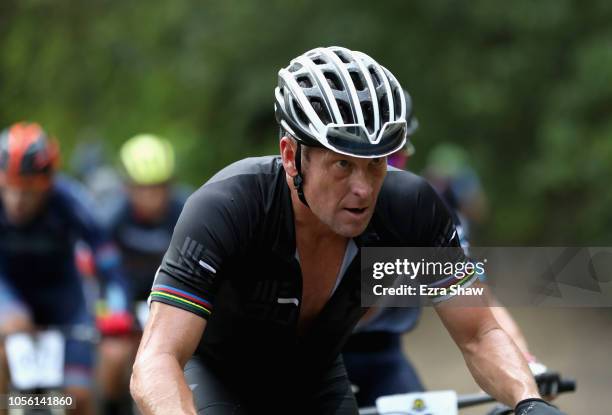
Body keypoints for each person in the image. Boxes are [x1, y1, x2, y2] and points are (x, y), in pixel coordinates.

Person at [130, 46, 564, 415]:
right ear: (290, 155)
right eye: (342, 164)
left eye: (376, 163)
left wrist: (529, 402)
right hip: (219, 375)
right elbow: (156, 359)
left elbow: (480, 332)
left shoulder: (410, 209)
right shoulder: (229, 206)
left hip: (316, 376)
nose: (362, 188)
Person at [0, 122, 131, 415]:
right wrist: (6, 307)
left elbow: (109, 266)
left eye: (29, 191)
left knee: (76, 399)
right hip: (8, 292)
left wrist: (117, 312)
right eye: (10, 188)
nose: (18, 201)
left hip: (63, 300)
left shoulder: (70, 201)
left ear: (47, 185)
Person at [97, 134, 188, 414]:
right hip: (123, 295)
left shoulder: (190, 209)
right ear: (127, 187)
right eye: (142, 188)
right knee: (114, 356)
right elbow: (101, 270)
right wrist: (111, 310)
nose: (151, 196)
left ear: (170, 185)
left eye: (158, 188)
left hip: (170, 294)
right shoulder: (110, 217)